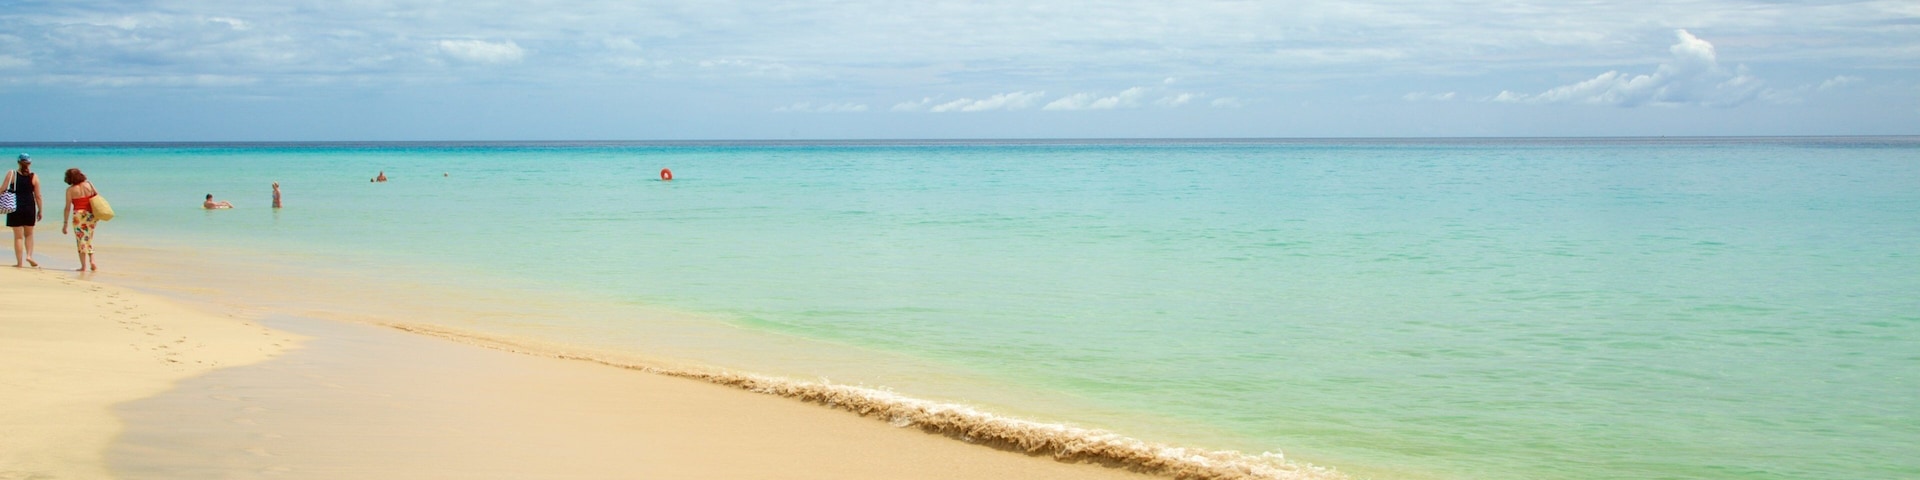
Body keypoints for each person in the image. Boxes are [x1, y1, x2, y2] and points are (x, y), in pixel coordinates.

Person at [4, 153, 41, 267]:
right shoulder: (34, 176)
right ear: (29, 163)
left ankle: (19, 263)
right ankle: (29, 256)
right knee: (29, 235)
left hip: (14, 207)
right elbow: (38, 196)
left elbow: (3, 189)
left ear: (18, 162)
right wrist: (40, 210)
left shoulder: (12, 174)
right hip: (29, 207)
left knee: (18, 237)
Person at [61, 168, 99, 272]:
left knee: (81, 240)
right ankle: (92, 260)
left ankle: (83, 266)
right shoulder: (89, 184)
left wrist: (65, 224)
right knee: (89, 238)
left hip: (78, 216)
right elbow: (97, 197)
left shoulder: (70, 190)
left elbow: (67, 207)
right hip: (91, 215)